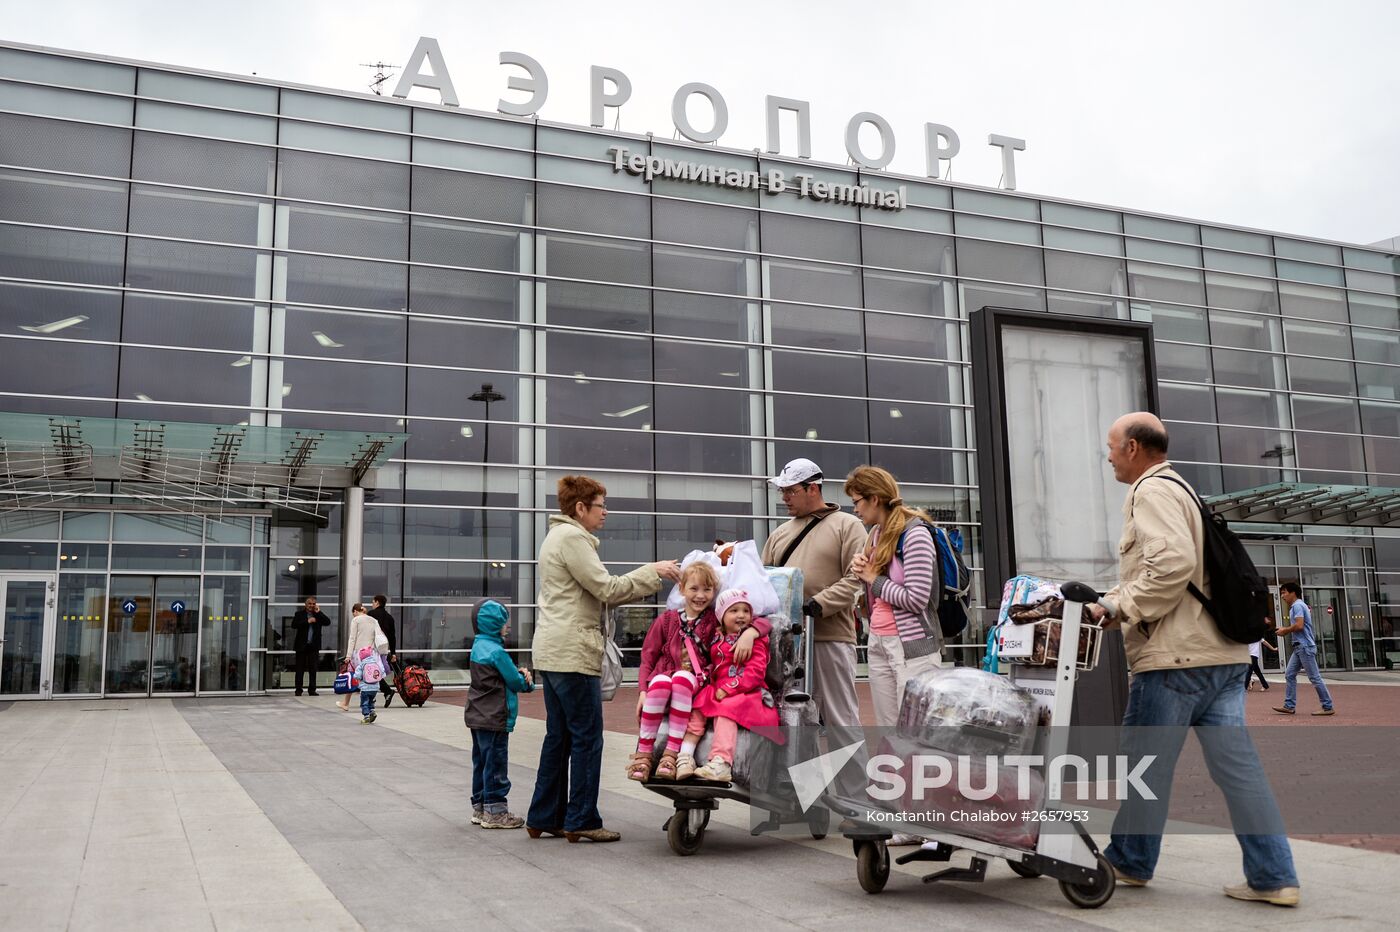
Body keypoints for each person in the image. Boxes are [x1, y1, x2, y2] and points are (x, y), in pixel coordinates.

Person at [1088, 412, 1299, 907]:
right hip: (1223, 657)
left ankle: (1130, 861)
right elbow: (1179, 570)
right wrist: (1116, 598)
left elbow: (1172, 565)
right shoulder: (1184, 489)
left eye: (1112, 446)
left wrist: (1119, 606)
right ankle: (1275, 877)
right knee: (1239, 772)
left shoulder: (1151, 491)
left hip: (1175, 658)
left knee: (1145, 766)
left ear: (1135, 448)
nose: (1110, 455)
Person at [526, 475, 681, 844]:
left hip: (552, 650)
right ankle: (581, 818)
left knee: (558, 737)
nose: (605, 512)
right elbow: (606, 589)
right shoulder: (574, 538)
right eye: (601, 505)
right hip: (573, 652)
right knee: (587, 739)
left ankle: (544, 815)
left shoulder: (555, 538)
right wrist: (652, 572)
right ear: (580, 508)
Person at [629, 562, 769, 782]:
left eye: (707, 589)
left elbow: (758, 620)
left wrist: (751, 632)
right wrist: (642, 691)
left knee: (682, 679)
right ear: (682, 589)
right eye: (694, 589)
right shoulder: (666, 620)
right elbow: (648, 657)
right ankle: (643, 755)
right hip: (666, 678)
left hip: (693, 680)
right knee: (659, 683)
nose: (700, 595)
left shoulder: (716, 619)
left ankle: (671, 754)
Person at [760, 458, 866, 733]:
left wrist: (819, 604)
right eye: (781, 491)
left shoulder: (848, 525)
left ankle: (852, 779)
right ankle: (798, 776)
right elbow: (763, 580)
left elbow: (857, 579)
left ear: (813, 489)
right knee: (788, 719)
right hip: (784, 643)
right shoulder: (779, 533)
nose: (784, 498)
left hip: (829, 637)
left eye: (790, 491)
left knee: (839, 718)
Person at [845, 465, 944, 726]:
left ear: (874, 499)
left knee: (915, 732)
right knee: (889, 730)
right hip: (878, 640)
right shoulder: (875, 535)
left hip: (912, 647)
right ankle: (892, 769)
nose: (855, 509)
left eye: (857, 502)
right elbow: (877, 595)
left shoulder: (915, 534)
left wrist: (872, 578)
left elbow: (917, 599)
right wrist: (862, 574)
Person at [691, 589, 781, 782]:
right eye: (734, 611)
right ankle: (685, 754)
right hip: (720, 689)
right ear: (721, 616)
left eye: (745, 611)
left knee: (726, 710)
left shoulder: (755, 639)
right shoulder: (716, 635)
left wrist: (730, 687)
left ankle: (721, 762)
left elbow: (755, 673)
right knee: (698, 703)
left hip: (748, 692)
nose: (741, 615)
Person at [464, 600, 534, 829]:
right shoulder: (497, 652)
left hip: (477, 714)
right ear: (494, 624)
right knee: (495, 763)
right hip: (495, 716)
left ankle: (480, 807)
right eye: (505, 622)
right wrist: (526, 679)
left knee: (481, 761)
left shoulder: (478, 647)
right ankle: (496, 812)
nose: (507, 627)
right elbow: (514, 682)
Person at [1272, 583, 1335, 716]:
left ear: (1293, 592)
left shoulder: (1298, 606)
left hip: (1304, 646)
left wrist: (1285, 630)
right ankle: (1289, 706)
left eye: (1284, 592)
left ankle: (1328, 706)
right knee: (1289, 675)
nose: (1282, 596)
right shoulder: (1297, 606)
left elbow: (1299, 625)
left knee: (1314, 677)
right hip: (1300, 647)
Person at [339, 603, 382, 712]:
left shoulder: (356, 620)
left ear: (355, 611)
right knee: (370, 678)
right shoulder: (374, 620)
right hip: (371, 653)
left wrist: (348, 655)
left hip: (358, 653)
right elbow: (378, 637)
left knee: (354, 676)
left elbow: (352, 638)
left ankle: (346, 703)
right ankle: (370, 702)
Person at [290, 597, 330, 696]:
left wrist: (319, 612)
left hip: (313, 646)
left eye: (313, 604)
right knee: (300, 669)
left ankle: (312, 690)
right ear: (305, 604)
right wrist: (307, 621)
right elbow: (294, 625)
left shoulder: (318, 615)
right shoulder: (299, 614)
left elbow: (327, 622)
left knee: (313, 669)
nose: (311, 605)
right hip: (301, 646)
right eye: (310, 604)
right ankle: (298, 690)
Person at [369, 594, 398, 707]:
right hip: (383, 650)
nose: (372, 604)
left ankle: (385, 692)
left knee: (371, 672)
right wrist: (393, 653)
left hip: (372, 649)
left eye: (373, 602)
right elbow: (392, 637)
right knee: (374, 672)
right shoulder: (389, 617)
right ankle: (385, 692)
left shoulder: (371, 615)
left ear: (377, 602)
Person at [354, 645, 384, 724]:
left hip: (365, 688)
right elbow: (382, 672)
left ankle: (366, 717)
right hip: (375, 688)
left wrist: (356, 677)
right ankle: (372, 711)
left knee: (364, 703)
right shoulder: (376, 663)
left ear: (361, 657)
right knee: (371, 701)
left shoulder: (361, 665)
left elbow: (357, 676)